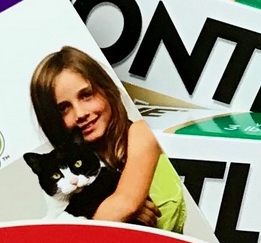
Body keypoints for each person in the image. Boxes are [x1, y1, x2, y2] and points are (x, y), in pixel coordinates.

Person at [28, 46, 186, 231]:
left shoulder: (142, 132)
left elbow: (126, 205)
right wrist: (108, 207)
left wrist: (119, 209)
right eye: (63, 108)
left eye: (86, 95)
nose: (80, 113)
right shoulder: (73, 177)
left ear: (106, 89)